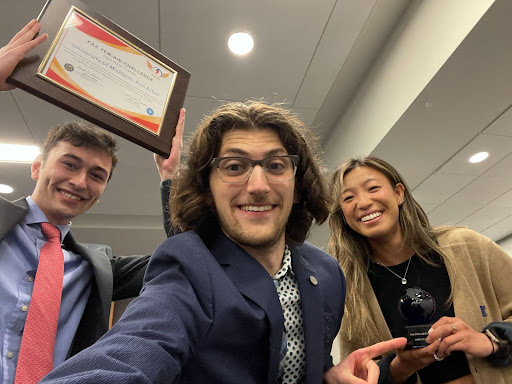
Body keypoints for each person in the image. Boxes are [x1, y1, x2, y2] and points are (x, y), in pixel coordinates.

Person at [40, 102, 406, 384]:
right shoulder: (186, 263)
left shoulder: (326, 272)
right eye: (234, 167)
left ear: (298, 184)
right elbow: (136, 348)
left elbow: (305, 363)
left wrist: (329, 375)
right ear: (207, 189)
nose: (259, 184)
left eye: (276, 166)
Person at [0, 20, 186, 384]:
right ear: (38, 166)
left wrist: (170, 178)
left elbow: (189, 258)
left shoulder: (100, 268)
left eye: (97, 175)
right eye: (69, 164)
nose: (79, 182)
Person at [328, 156, 512, 384]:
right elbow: (358, 373)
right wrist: (397, 368)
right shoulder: (351, 288)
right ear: (343, 214)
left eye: (373, 188)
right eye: (348, 198)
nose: (363, 202)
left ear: (398, 193)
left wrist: (491, 341)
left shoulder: (466, 246)